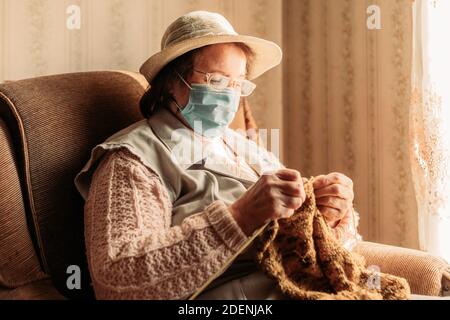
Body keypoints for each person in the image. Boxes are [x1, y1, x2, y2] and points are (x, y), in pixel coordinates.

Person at [74, 10, 362, 300]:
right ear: (172, 81)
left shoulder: (244, 146)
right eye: (217, 81)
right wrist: (240, 217)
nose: (230, 97)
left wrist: (331, 213)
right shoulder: (132, 159)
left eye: (237, 84)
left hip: (294, 285)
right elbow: (116, 280)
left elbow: (302, 237)